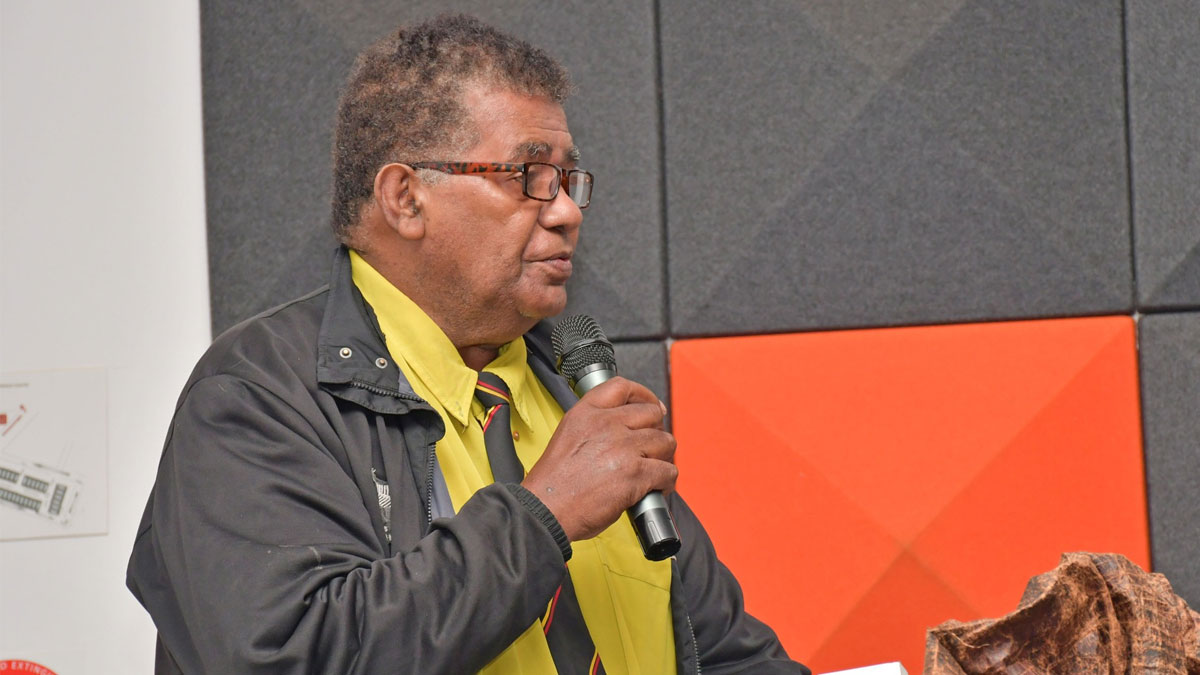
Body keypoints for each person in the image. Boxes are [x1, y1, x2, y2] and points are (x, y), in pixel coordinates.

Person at [128, 13, 809, 675]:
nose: (566, 211)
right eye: (528, 177)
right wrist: (543, 514)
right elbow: (296, 652)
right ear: (405, 198)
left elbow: (727, 653)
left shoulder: (578, 395)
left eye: (568, 180)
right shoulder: (258, 396)